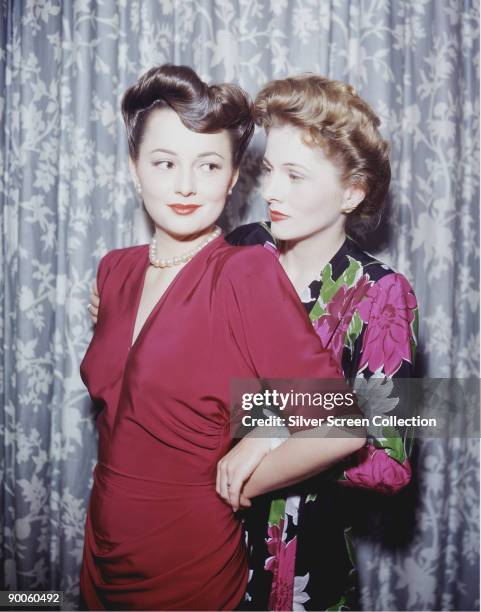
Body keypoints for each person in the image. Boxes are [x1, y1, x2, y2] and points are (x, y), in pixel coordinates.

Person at [79, 64, 365, 611]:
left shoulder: (246, 273)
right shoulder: (113, 270)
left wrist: (250, 470)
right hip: (102, 550)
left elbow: (346, 425)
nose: (185, 185)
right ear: (134, 170)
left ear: (233, 178)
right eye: (164, 163)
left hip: (190, 559)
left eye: (208, 165)